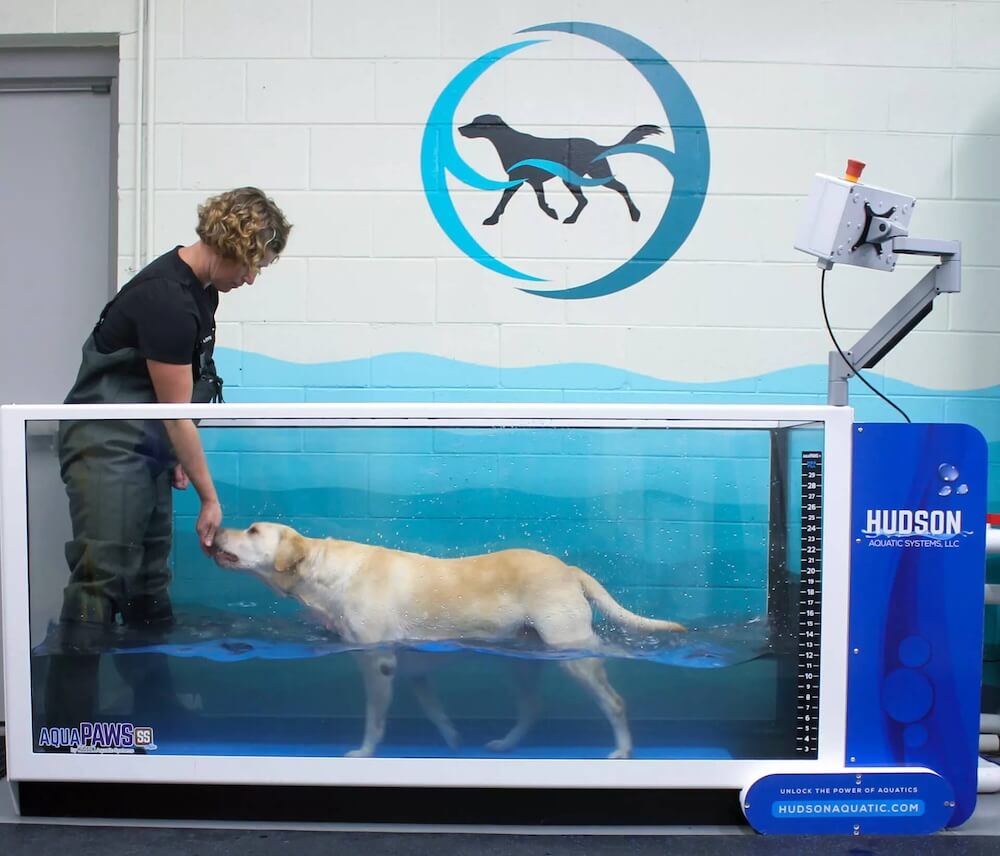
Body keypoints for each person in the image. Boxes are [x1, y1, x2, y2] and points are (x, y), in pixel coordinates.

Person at [41, 187, 292, 738]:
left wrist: (179, 454)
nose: (251, 280)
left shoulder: (202, 295)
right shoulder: (168, 298)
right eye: (252, 266)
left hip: (147, 443)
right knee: (100, 575)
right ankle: (65, 730)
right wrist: (209, 495)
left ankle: (154, 708)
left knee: (149, 578)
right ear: (231, 246)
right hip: (105, 441)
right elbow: (176, 412)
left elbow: (181, 402)